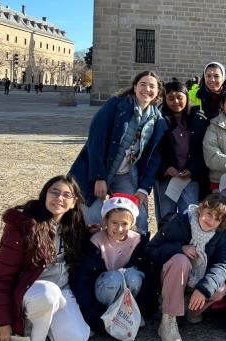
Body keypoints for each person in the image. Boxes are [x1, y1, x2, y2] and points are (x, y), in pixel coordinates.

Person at [0, 175, 90, 341]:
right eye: (54, 192)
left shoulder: (73, 228)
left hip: (61, 290)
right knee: (48, 294)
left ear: (73, 202)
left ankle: (47, 320)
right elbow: (0, 277)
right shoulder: (24, 227)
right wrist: (2, 322)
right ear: (44, 195)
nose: (59, 198)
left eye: (66, 195)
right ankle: (32, 336)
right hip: (29, 291)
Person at [69, 70, 167, 236]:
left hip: (125, 174)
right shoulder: (116, 105)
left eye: (152, 86)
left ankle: (136, 250)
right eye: (142, 84)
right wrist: (99, 177)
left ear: (158, 92)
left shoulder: (158, 120)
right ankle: (91, 251)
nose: (147, 89)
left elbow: (154, 158)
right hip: (96, 171)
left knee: (139, 217)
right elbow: (96, 139)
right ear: (135, 87)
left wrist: (144, 189)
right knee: (92, 219)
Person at [145, 193, 226, 341]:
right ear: (200, 209)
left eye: (217, 219)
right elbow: (151, 250)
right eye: (209, 214)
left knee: (220, 289)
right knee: (181, 260)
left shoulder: (220, 235)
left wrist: (203, 289)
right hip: (169, 279)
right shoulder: (179, 222)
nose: (211, 221)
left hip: (196, 284)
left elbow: (221, 265)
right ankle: (168, 319)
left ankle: (189, 311)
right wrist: (180, 248)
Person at [72, 194, 149, 337]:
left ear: (132, 223)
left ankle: (129, 314)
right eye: (114, 222)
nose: (119, 228)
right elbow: (83, 279)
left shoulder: (139, 241)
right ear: (105, 221)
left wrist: (145, 308)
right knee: (114, 278)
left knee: (134, 276)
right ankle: (107, 317)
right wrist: (93, 316)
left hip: (127, 289)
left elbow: (148, 275)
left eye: (124, 223)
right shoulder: (95, 241)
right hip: (104, 289)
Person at [154, 80, 209, 226]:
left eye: (179, 97)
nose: (176, 102)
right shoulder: (159, 121)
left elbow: (203, 150)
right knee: (167, 218)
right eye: (171, 98)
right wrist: (166, 168)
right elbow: (154, 151)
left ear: (186, 97)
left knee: (190, 217)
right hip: (167, 178)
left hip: (190, 177)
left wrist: (192, 170)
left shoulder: (198, 119)